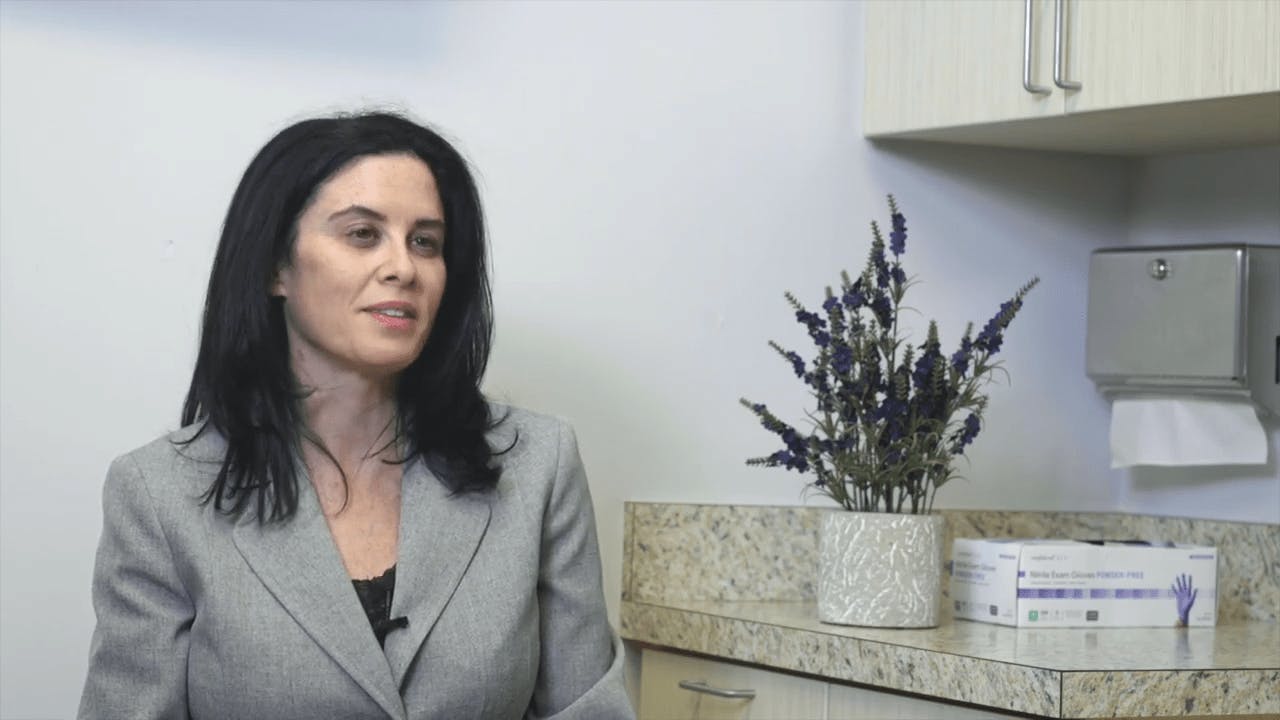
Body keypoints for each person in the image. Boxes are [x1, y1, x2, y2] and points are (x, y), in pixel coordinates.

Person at [78, 111, 634, 720]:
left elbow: (589, 709)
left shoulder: (539, 463)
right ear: (275, 268)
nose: (404, 267)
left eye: (426, 241)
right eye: (363, 234)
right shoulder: (157, 494)